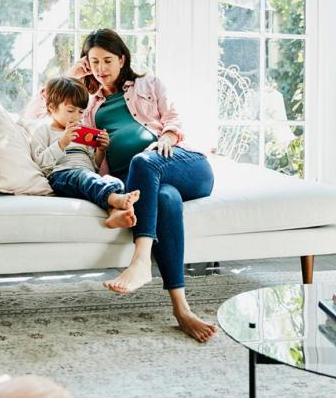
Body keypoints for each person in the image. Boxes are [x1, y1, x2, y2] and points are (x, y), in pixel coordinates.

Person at [67, 28, 217, 343]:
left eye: (107, 60)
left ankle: (139, 263)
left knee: (143, 160)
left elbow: (174, 119)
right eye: (93, 62)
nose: (100, 68)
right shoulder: (90, 105)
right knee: (164, 200)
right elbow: (44, 112)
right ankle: (182, 309)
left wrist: (165, 137)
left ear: (123, 59)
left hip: (179, 163)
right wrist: (72, 74)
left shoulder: (149, 84)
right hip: (140, 182)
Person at [30, 76, 139, 229]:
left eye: (81, 112)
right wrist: (62, 142)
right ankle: (117, 200)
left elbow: (94, 165)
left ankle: (114, 212)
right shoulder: (44, 130)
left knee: (111, 180)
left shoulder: (83, 132)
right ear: (52, 108)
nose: (76, 117)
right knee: (85, 178)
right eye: (70, 111)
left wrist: (101, 149)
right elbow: (41, 163)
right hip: (62, 175)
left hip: (86, 174)